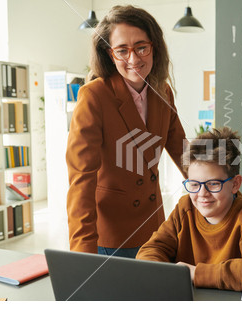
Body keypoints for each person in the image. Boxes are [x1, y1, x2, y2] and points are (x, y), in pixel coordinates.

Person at [66, 5, 187, 258]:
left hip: (154, 228)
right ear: (110, 54)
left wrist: (228, 194)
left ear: (155, 47)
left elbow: (184, 152)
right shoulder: (93, 96)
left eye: (141, 47)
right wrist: (82, 256)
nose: (133, 59)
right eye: (122, 51)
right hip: (110, 235)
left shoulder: (163, 91)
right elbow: (81, 181)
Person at [136, 127, 242, 291]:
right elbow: (150, 251)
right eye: (194, 184)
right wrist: (170, 274)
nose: (202, 194)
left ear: (235, 184)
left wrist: (196, 273)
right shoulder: (184, 208)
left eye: (213, 184)